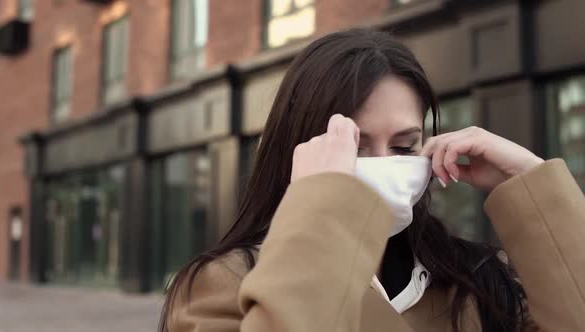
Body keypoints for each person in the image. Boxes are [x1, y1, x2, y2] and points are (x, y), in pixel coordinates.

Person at [159, 29, 585, 332]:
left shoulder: (477, 281)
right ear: (300, 150)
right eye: (355, 147)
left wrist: (532, 184)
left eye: (404, 147)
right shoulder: (223, 284)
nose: (383, 164)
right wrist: (320, 214)